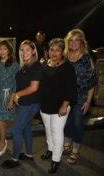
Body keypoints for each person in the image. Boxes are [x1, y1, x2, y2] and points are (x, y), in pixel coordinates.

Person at [1, 40, 43, 169]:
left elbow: (33, 87)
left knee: (17, 129)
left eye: (27, 50)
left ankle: (14, 158)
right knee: (26, 128)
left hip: (30, 104)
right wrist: (12, 98)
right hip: (22, 103)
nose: (24, 52)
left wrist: (16, 95)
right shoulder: (25, 66)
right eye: (22, 50)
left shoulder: (36, 66)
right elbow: (19, 85)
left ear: (34, 51)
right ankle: (29, 154)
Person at [40, 38, 77, 173]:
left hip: (60, 106)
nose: (54, 53)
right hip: (45, 105)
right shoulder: (44, 64)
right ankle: (50, 150)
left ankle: (56, 160)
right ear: (48, 51)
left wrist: (65, 104)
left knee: (56, 131)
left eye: (57, 50)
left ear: (62, 52)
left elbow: (71, 88)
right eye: (51, 49)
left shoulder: (67, 67)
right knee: (48, 129)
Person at [63, 29, 98, 164]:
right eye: (71, 40)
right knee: (66, 122)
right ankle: (67, 143)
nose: (73, 43)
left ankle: (76, 149)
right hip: (65, 97)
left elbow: (92, 81)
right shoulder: (65, 56)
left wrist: (88, 101)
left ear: (82, 42)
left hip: (81, 97)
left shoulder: (86, 58)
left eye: (77, 40)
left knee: (78, 123)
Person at [0, 40, 19, 156]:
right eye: (0, 49)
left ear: (9, 50)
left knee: (0, 119)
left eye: (5, 49)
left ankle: (2, 142)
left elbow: (16, 83)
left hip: (6, 95)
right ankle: (4, 139)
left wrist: (11, 99)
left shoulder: (14, 64)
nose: (2, 51)